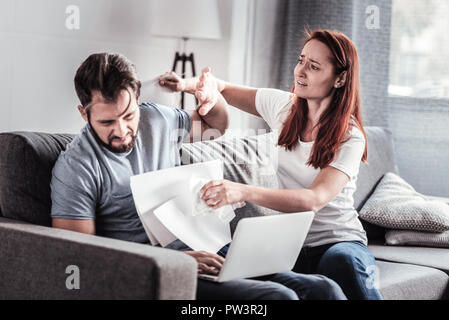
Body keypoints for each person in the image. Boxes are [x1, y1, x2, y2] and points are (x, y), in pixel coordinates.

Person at [51, 52, 346, 300]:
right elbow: (82, 257)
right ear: (83, 113)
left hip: (210, 247)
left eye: (129, 115)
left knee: (324, 289)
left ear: (138, 99)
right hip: (158, 271)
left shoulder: (155, 118)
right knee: (279, 298)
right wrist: (173, 261)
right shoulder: (77, 168)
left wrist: (211, 101)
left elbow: (216, 123)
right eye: (106, 121)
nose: (122, 130)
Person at [160, 29, 382, 300]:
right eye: (301, 60)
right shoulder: (284, 108)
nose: (300, 71)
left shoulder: (350, 135)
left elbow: (314, 199)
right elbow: (222, 87)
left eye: (313, 66)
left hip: (338, 241)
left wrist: (242, 191)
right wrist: (185, 85)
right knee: (234, 258)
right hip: (288, 245)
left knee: (341, 262)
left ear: (340, 78)